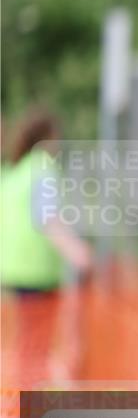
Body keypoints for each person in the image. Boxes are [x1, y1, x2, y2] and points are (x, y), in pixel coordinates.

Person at [0, 109, 92, 294]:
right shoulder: (42, 166)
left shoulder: (16, 168)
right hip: (37, 272)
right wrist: (78, 252)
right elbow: (48, 218)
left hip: (12, 269)